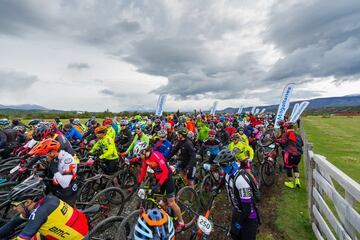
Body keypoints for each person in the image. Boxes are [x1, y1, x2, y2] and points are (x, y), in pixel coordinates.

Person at [0, 177, 88, 239]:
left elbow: (22, 238)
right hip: (76, 223)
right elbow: (14, 222)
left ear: (27, 202)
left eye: (15, 205)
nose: (14, 209)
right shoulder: (46, 199)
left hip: (79, 236)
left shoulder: (39, 213)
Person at [135, 143, 185, 232]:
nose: (139, 157)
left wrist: (159, 185)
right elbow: (143, 171)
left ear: (144, 151)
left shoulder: (157, 156)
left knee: (171, 202)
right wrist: (138, 183)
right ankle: (165, 209)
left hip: (167, 178)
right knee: (159, 199)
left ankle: (181, 222)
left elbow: (165, 171)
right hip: (158, 178)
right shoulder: (145, 158)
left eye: (139, 154)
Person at [214, 149, 259, 240]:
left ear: (230, 163)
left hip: (248, 216)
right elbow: (225, 180)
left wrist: (238, 225)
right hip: (238, 210)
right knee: (234, 236)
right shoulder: (230, 172)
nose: (221, 168)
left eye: (222, 165)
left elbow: (247, 208)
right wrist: (217, 188)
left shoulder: (241, 180)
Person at [28, 138, 78, 205]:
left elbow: (65, 183)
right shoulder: (55, 158)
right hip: (56, 187)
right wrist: (41, 168)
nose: (46, 158)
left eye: (46, 155)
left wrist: (55, 171)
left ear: (53, 152)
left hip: (66, 191)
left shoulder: (68, 160)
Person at [275, 122, 304, 188]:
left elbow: (283, 142)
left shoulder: (285, 134)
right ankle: (297, 180)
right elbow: (302, 144)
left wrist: (276, 140)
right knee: (295, 166)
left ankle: (290, 183)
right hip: (298, 155)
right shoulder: (297, 135)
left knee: (288, 167)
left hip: (290, 154)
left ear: (286, 128)